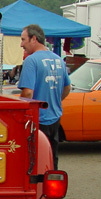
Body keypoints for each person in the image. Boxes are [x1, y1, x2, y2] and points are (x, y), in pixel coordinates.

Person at [18, 24, 71, 170]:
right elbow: (67, 87)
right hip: (55, 118)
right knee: (52, 157)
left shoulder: (31, 60)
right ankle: (52, 188)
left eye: (23, 39)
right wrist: (55, 101)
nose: (21, 44)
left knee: (33, 160)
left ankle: (36, 190)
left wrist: (20, 111)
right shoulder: (59, 59)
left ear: (34, 39)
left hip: (37, 120)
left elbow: (28, 93)